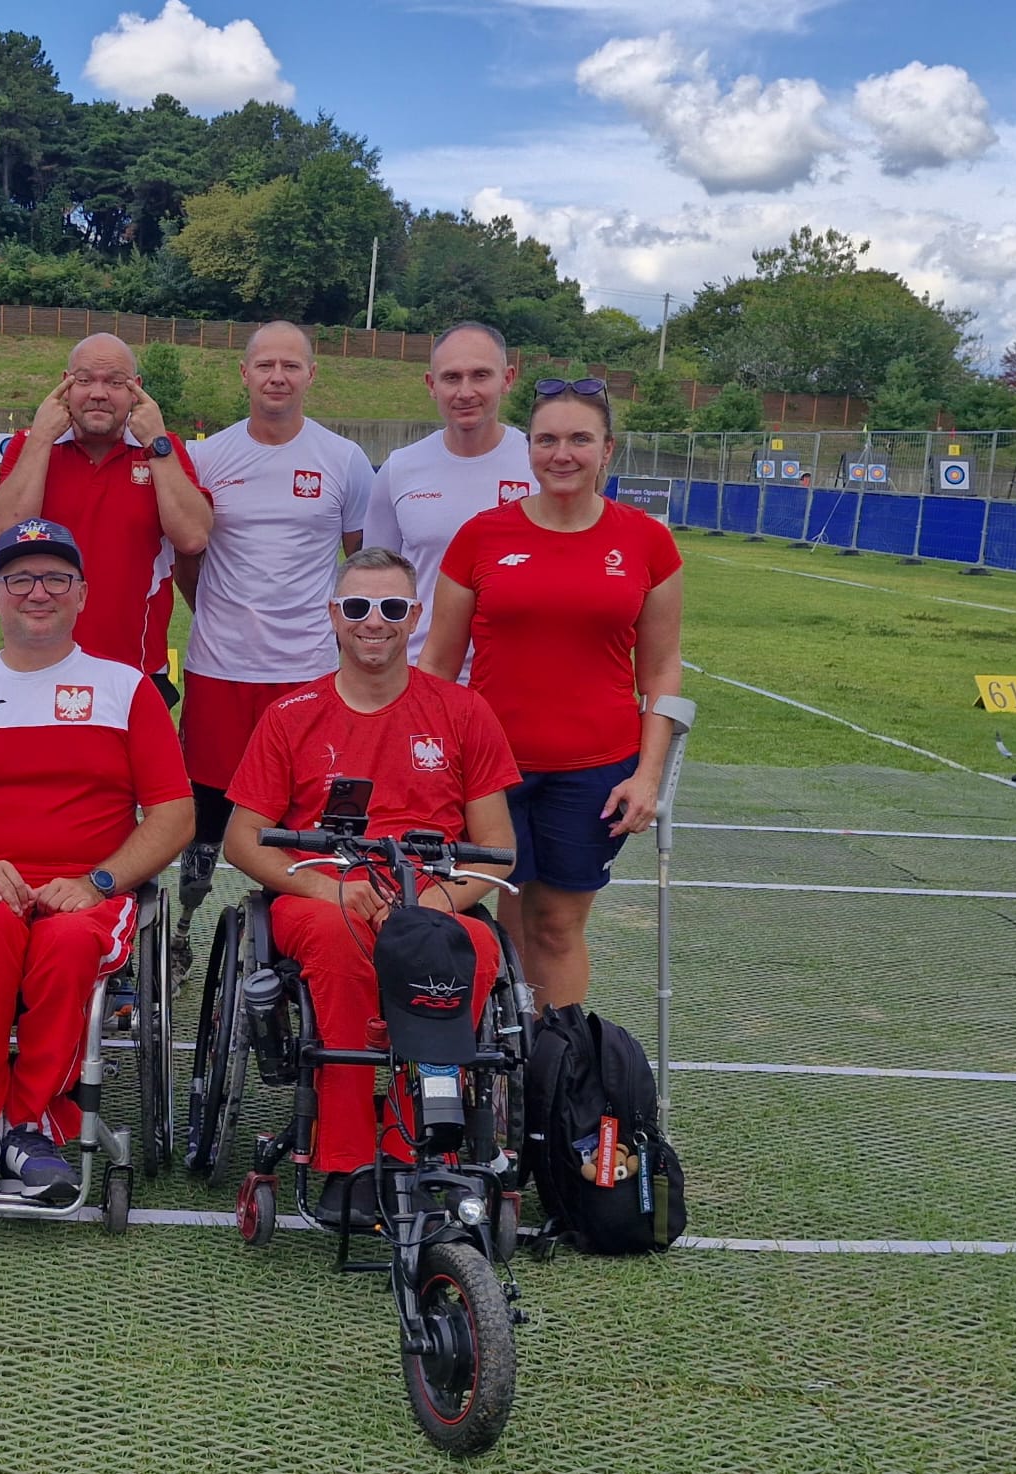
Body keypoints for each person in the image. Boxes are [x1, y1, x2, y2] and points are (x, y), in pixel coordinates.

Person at [0, 518, 193, 1201]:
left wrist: (98, 882)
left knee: (70, 942)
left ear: (82, 594)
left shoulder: (126, 689)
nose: (38, 592)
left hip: (87, 893)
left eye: (56, 578)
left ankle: (33, 1128)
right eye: (20, 579)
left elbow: (174, 813)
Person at [222, 548, 518, 1197]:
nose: (373, 622)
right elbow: (241, 841)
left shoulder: (464, 711)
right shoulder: (291, 715)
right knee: (340, 940)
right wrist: (328, 888)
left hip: (428, 890)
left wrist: (437, 903)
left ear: (414, 615)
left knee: (471, 948)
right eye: (357, 607)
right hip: (322, 891)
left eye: (390, 607)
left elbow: (498, 847)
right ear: (334, 615)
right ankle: (347, 1158)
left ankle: (417, 1148)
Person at [420, 378, 684, 1008]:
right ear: (529, 449)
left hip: (595, 772)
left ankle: (557, 1057)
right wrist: (423, 760)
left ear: (608, 450)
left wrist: (648, 776)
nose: (562, 454)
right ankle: (506, 1056)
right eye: (546, 440)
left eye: (579, 439)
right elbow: (437, 664)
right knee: (504, 924)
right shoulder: (481, 536)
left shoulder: (647, 541)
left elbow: (661, 671)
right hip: (489, 771)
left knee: (558, 926)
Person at [174, 321, 374, 973]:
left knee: (306, 814)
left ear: (312, 374)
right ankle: (184, 925)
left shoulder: (344, 459)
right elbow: (187, 557)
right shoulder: (209, 457)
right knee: (207, 815)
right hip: (220, 670)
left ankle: (293, 937)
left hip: (309, 670)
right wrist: (221, 614)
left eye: (291, 365)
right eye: (265, 365)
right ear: (245, 374)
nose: (278, 376)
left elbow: (360, 564)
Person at [0, 332, 212, 679]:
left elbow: (193, 537)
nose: (98, 393)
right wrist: (43, 437)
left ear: (136, 389)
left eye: (115, 382)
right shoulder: (31, 445)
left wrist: (156, 443)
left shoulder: (161, 449)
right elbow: (6, 531)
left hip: (136, 670)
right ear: (65, 385)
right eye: (84, 380)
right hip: (39, 666)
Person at [361, 322, 534, 673]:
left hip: (515, 675)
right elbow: (375, 584)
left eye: (480, 375)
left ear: (508, 378)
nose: (465, 392)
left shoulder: (539, 465)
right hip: (421, 671)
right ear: (431, 385)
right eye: (452, 378)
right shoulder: (400, 469)